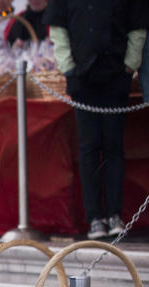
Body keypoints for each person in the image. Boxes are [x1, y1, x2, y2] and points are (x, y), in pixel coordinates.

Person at [45, 1, 148, 239]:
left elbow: (137, 27)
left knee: (114, 147)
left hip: (115, 76)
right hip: (82, 77)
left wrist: (129, 65)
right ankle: (94, 218)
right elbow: (57, 29)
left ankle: (115, 215)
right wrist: (68, 67)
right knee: (88, 148)